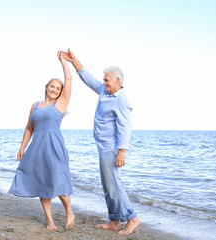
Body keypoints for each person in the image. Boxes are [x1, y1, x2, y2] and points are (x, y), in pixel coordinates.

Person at [62, 49, 140, 236]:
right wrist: (74, 61)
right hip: (103, 147)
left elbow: (125, 126)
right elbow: (88, 78)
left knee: (114, 185)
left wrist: (122, 151)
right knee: (108, 186)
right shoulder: (105, 92)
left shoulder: (121, 99)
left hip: (112, 149)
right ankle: (114, 221)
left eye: (107, 80)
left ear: (117, 81)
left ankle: (132, 218)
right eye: (104, 80)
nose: (103, 83)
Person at [8, 50, 75, 231]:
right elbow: (29, 128)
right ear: (46, 87)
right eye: (52, 86)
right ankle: (50, 221)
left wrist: (63, 62)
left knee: (58, 180)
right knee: (43, 182)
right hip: (37, 148)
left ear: (60, 92)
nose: (54, 89)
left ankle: (69, 211)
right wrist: (22, 148)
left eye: (57, 88)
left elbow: (68, 80)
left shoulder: (60, 104)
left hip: (54, 147)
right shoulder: (35, 105)